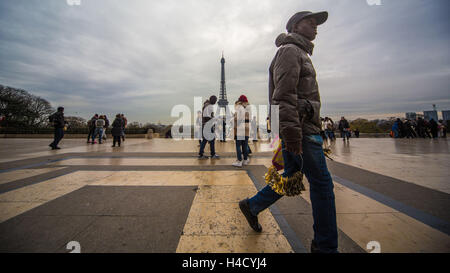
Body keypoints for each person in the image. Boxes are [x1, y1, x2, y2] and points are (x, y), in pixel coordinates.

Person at [238, 11, 338, 253]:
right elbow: (283, 96)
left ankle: (252, 206)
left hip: (301, 127)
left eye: (317, 24)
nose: (316, 27)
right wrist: (293, 136)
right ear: (295, 25)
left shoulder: (298, 52)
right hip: (301, 130)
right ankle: (325, 247)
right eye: (310, 22)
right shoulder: (290, 51)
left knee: (291, 177)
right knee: (322, 185)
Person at [232, 95, 251, 167]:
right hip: (246, 128)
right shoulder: (245, 108)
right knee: (244, 145)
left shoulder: (239, 108)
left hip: (240, 128)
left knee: (238, 145)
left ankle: (239, 160)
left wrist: (234, 117)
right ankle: (245, 160)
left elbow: (237, 119)